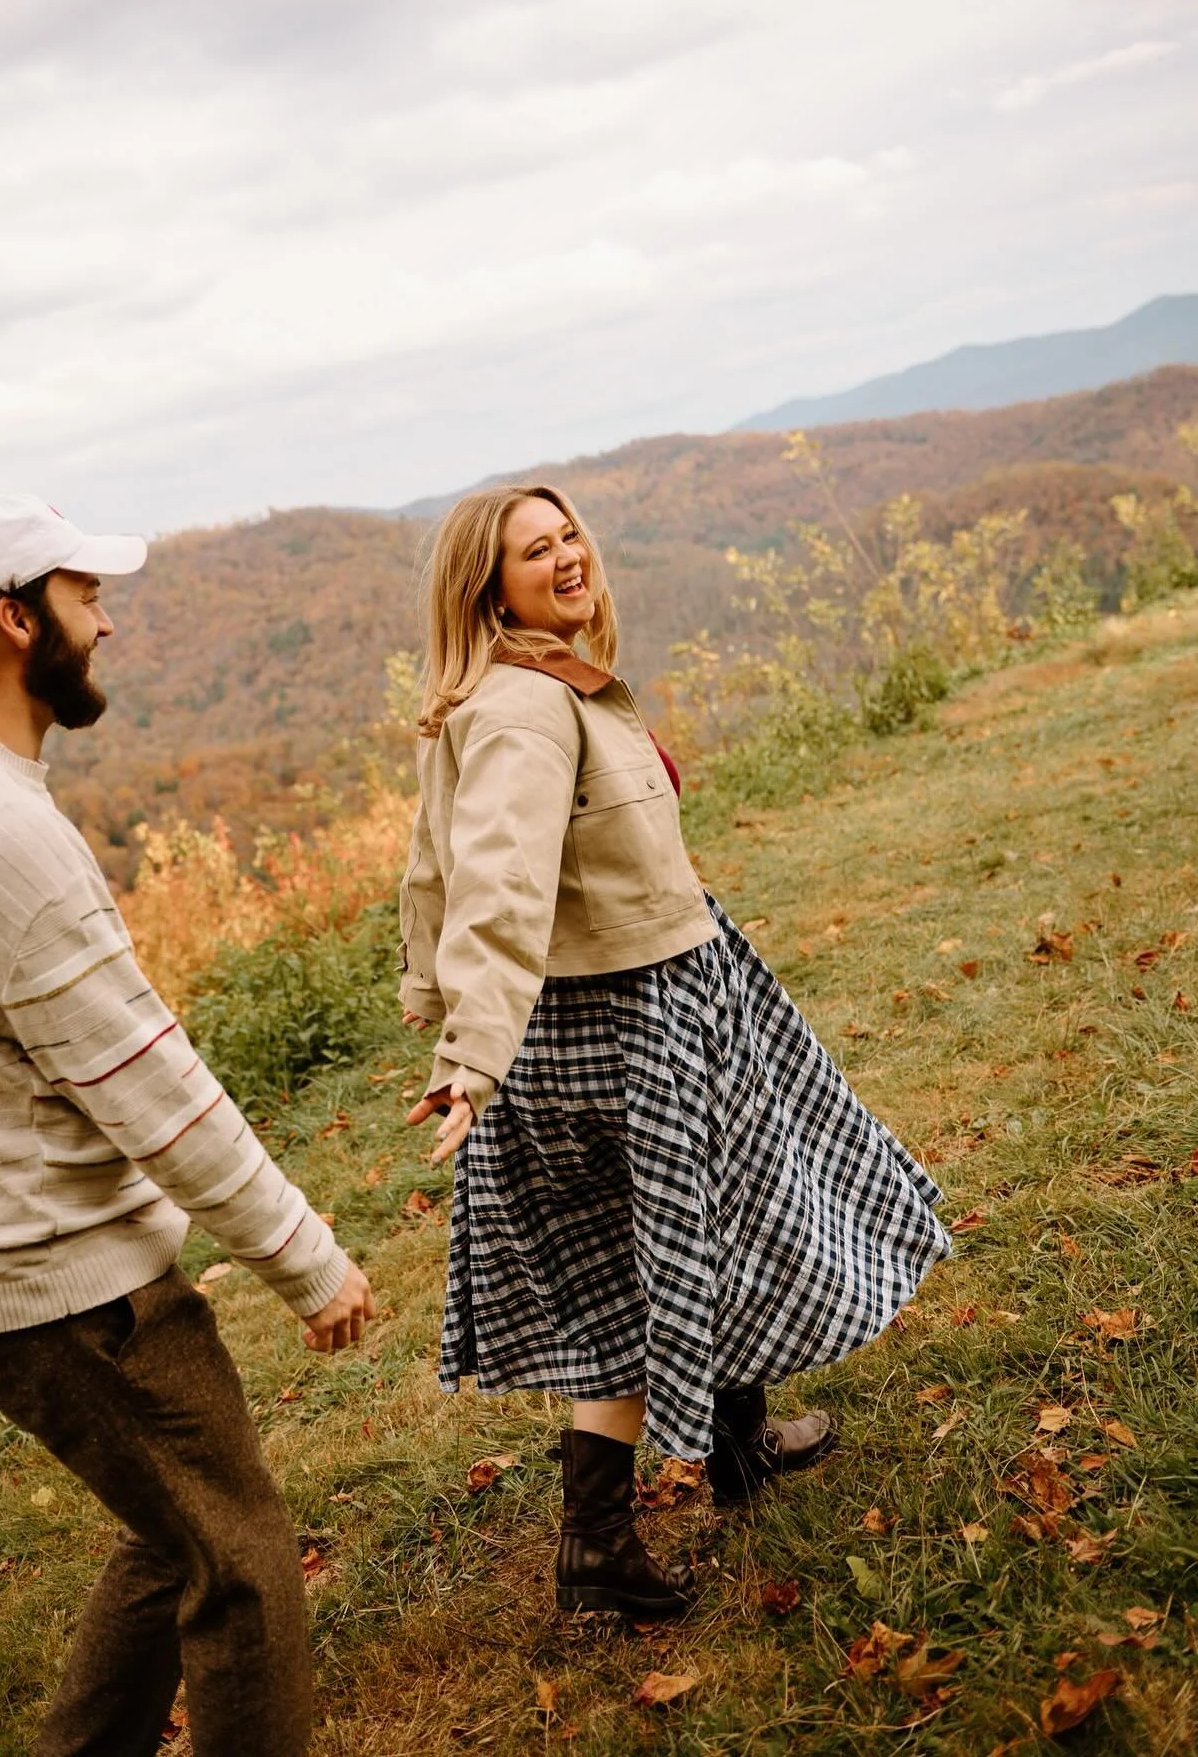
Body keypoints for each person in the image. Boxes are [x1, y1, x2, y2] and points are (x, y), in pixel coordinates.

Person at [0, 493, 373, 1756]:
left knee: (169, 1528)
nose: (109, 620)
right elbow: (156, 1096)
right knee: (240, 1565)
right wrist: (309, 1262)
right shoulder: (1, 834)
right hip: (69, 1294)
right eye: (85, 599)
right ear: (16, 620)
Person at [398, 484, 951, 1618]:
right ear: (486, 587)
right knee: (640, 1265)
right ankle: (598, 1545)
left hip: (648, 992)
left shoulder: (533, 683)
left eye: (568, 536)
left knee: (714, 1211)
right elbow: (489, 885)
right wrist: (470, 1051)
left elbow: (427, 866)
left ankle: (738, 1444)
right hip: (620, 1017)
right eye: (532, 550)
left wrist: (434, 994)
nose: (564, 557)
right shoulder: (520, 711)